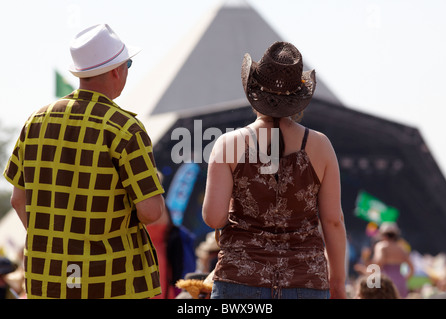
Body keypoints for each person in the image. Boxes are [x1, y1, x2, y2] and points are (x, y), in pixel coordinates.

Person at [3, 24, 165, 299]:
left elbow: (18, 200)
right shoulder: (125, 128)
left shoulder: (36, 121)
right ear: (116, 70)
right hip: (113, 282)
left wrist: (57, 243)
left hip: (48, 280)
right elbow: (150, 211)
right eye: (129, 64)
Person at [202, 42, 347, 299]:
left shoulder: (229, 144)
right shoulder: (321, 145)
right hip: (306, 281)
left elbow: (214, 218)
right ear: (298, 100)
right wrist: (337, 282)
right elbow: (334, 221)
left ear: (254, 93)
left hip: (239, 280)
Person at [371, 222, 414, 298]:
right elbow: (412, 268)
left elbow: (378, 262)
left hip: (385, 281)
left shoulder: (381, 246)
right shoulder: (401, 248)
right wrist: (404, 278)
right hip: (401, 282)